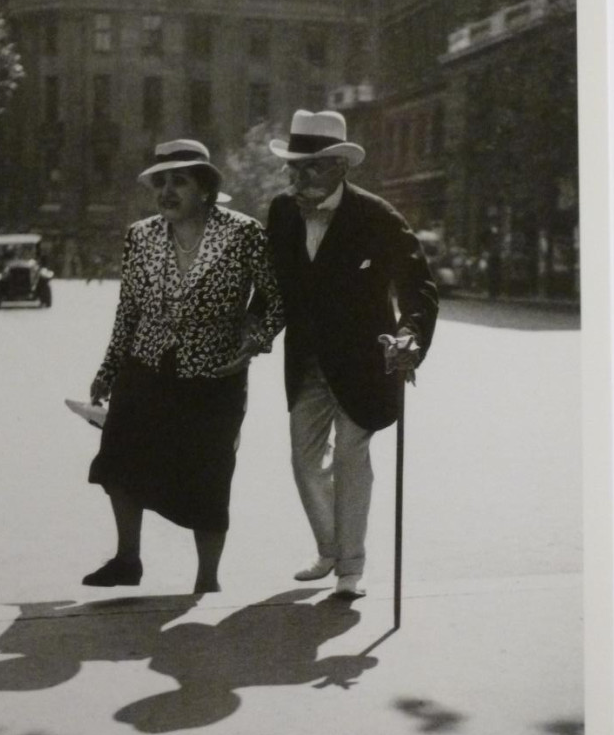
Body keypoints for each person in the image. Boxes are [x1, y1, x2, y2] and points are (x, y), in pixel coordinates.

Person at [84, 139, 284, 593]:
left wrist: (254, 340)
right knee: (119, 458)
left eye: (179, 181)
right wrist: (108, 368)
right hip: (147, 363)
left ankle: (207, 579)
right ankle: (127, 559)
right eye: (161, 182)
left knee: (210, 473)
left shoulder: (242, 233)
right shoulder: (141, 235)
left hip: (214, 374)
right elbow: (128, 310)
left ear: (205, 188)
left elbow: (274, 297)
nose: (166, 191)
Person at [266, 109, 438, 599]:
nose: (297, 180)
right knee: (303, 460)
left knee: (349, 457)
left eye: (310, 168)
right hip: (306, 363)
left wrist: (410, 337)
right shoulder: (280, 212)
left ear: (341, 167)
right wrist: (254, 329)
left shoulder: (377, 217)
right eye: (292, 169)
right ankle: (329, 547)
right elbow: (277, 288)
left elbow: (418, 287)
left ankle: (351, 568)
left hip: (365, 365)